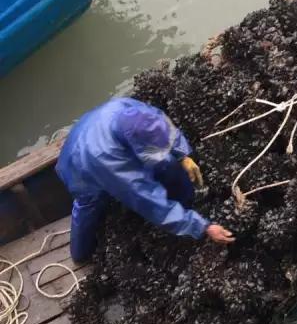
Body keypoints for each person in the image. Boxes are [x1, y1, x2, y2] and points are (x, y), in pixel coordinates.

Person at [56, 97, 234, 262]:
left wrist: (182, 155)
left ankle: (184, 203)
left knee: (167, 162)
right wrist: (203, 227)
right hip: (79, 165)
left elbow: (165, 125)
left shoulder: (130, 108)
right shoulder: (110, 161)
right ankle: (79, 252)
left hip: (100, 131)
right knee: (89, 203)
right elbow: (146, 199)